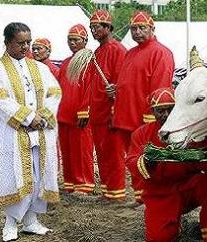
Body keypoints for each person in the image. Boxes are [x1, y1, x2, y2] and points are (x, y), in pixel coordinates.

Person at [0, 22, 61, 241]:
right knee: (15, 177)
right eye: (20, 43)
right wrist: (28, 117)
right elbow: (0, 101)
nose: (26, 47)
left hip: (39, 133)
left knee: (37, 177)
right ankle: (10, 225)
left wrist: (44, 115)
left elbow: (54, 93)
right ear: (7, 42)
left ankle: (31, 221)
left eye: (28, 42)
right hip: (12, 135)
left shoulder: (40, 68)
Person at [126, 88, 207, 242]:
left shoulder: (193, 131)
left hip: (190, 186)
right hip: (160, 193)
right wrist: (147, 161)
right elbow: (131, 161)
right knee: (159, 238)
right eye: (161, 111)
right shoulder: (141, 134)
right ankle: (172, 224)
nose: (166, 115)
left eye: (170, 109)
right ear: (153, 112)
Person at [112, 11, 175, 203]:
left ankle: (148, 194)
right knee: (133, 159)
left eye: (142, 28)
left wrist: (152, 117)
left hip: (143, 117)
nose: (137, 32)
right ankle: (140, 195)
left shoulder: (161, 52)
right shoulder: (130, 53)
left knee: (148, 158)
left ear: (152, 29)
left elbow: (161, 87)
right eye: (133, 28)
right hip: (126, 116)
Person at [88, 9, 127, 201]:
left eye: (96, 27)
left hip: (110, 111)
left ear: (108, 27)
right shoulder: (97, 51)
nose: (93, 31)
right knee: (102, 153)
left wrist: (116, 89)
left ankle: (117, 191)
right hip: (97, 111)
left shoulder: (118, 50)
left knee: (113, 153)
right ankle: (107, 191)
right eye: (91, 27)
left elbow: (125, 80)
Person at [57, 24, 95, 194]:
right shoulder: (65, 63)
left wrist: (85, 110)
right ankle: (70, 182)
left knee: (82, 150)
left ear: (85, 41)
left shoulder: (89, 61)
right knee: (67, 150)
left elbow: (90, 88)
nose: (72, 43)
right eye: (69, 40)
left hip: (80, 115)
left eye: (75, 40)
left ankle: (84, 183)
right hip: (64, 113)